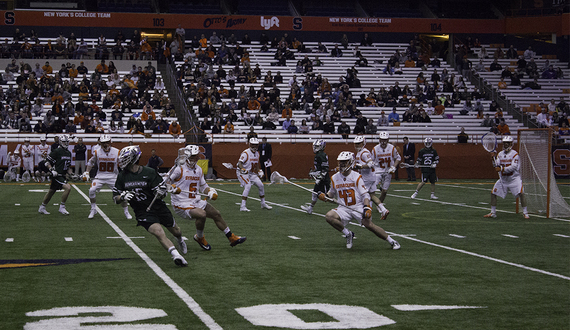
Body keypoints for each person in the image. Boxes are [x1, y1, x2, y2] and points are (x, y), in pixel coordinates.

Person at [113, 145, 188, 267]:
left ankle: (180, 240)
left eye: (125, 158)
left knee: (176, 231)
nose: (121, 161)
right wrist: (122, 197)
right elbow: (115, 198)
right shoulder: (122, 176)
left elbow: (161, 194)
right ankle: (176, 256)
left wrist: (161, 192)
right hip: (142, 211)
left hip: (158, 207)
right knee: (158, 232)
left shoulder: (150, 172)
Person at [166, 145, 246, 251]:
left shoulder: (198, 169)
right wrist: (172, 188)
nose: (197, 158)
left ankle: (231, 237)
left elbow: (203, 186)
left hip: (195, 201)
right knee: (202, 214)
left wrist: (211, 192)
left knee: (216, 214)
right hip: (181, 203)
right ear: (188, 156)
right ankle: (200, 237)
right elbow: (165, 182)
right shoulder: (178, 168)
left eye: (197, 155)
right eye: (194, 156)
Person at [319, 151, 400, 250]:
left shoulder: (356, 177)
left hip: (357, 206)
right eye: (340, 162)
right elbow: (331, 194)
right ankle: (348, 234)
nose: (341, 165)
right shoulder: (335, 177)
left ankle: (392, 241)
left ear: (350, 162)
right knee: (329, 216)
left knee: (369, 225)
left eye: (344, 162)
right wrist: (324, 196)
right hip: (343, 208)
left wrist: (367, 207)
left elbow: (365, 195)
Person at [82, 135, 132, 220]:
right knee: (91, 190)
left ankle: (126, 211)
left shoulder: (117, 152)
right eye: (103, 143)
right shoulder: (97, 152)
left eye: (106, 142)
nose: (105, 145)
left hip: (113, 177)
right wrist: (87, 172)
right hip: (100, 176)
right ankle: (93, 209)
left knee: (122, 194)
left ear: (110, 142)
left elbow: (124, 164)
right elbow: (90, 162)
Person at [483, 136, 530, 219]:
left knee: (521, 193)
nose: (505, 145)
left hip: (514, 179)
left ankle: (525, 213)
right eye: (504, 143)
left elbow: (514, 167)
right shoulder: (500, 154)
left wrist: (501, 168)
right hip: (503, 179)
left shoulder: (515, 154)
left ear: (511, 144)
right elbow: (496, 165)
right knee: (493, 193)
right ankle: (493, 213)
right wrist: (493, 158)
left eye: (507, 143)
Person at [38, 134, 72, 215]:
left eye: (67, 142)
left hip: (62, 175)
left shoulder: (68, 153)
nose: (66, 143)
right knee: (68, 188)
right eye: (64, 142)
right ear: (60, 142)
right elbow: (47, 162)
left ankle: (42, 207)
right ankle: (62, 207)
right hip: (57, 175)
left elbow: (68, 167)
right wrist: (52, 170)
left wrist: (71, 174)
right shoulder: (57, 151)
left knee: (51, 191)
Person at [236, 138, 273, 212]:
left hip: (251, 173)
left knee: (261, 185)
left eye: (256, 145)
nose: (254, 147)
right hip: (242, 172)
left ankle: (263, 204)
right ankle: (242, 206)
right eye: (253, 145)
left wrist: (259, 170)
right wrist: (242, 169)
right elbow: (239, 163)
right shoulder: (246, 153)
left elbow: (256, 164)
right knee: (248, 186)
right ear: (249, 144)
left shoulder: (257, 153)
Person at [371, 132, 401, 220]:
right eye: (382, 140)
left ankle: (379, 205)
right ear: (379, 140)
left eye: (385, 140)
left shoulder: (392, 148)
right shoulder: (375, 149)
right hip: (378, 171)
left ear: (388, 140)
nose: (383, 142)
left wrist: (393, 167)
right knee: (372, 189)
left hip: (388, 171)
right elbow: (371, 161)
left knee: (384, 191)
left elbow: (398, 158)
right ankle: (369, 206)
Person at [353, 136, 383, 212]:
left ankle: (364, 210)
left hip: (366, 178)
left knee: (362, 194)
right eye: (355, 144)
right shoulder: (360, 152)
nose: (356, 145)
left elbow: (370, 164)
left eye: (358, 144)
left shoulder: (364, 153)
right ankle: (383, 209)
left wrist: (361, 166)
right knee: (372, 195)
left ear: (363, 143)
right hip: (369, 177)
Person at [301, 139, 331, 215]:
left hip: (324, 179)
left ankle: (346, 207)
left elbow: (325, 169)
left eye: (317, 146)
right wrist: (314, 173)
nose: (315, 148)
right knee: (314, 193)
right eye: (315, 146)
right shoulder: (318, 155)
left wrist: (320, 177)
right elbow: (319, 168)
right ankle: (310, 208)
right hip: (320, 178)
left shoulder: (322, 155)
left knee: (327, 197)